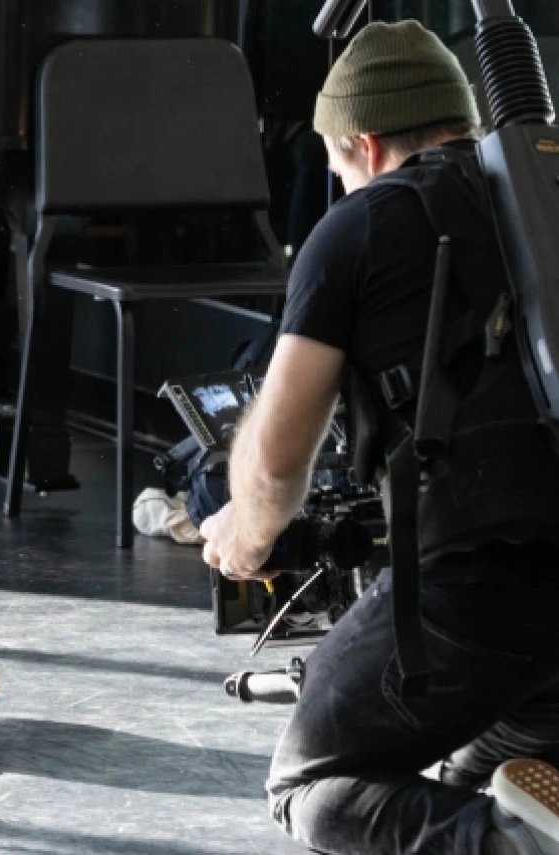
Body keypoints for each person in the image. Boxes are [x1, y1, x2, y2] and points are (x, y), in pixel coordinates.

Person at [198, 20, 559, 855]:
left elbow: (277, 464)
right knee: (474, 780)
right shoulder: (543, 197)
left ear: (363, 143)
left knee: (312, 787)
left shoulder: (359, 230)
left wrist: (243, 537)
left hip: (476, 587)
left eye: (336, 168)